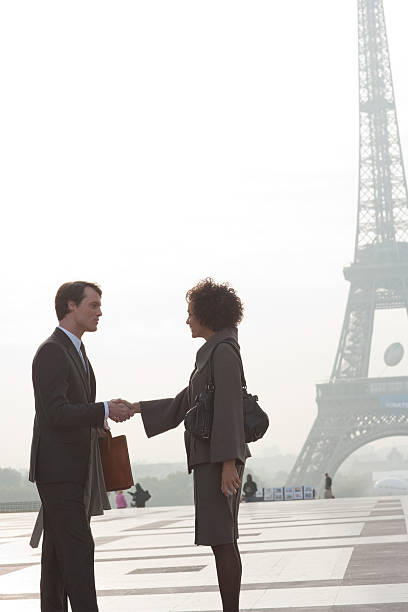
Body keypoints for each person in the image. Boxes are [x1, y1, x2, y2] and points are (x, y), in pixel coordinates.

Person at [132, 278, 250, 612]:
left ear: (206, 314)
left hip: (218, 460)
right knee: (220, 539)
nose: (187, 320)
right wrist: (139, 407)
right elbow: (187, 400)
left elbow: (228, 408)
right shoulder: (215, 352)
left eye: (190, 313)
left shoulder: (223, 352)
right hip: (213, 457)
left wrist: (228, 463)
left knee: (223, 539)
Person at [29, 281, 133, 612]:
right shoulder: (51, 351)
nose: (100, 312)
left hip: (73, 469)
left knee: (58, 559)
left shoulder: (76, 351)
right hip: (59, 472)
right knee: (77, 551)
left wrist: (96, 422)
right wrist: (103, 409)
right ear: (70, 306)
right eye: (93, 305)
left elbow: (69, 410)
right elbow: (56, 412)